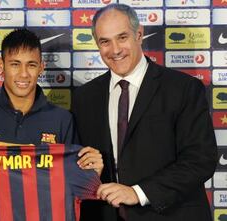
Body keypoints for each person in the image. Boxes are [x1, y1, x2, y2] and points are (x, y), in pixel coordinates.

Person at [71, 3, 217, 221]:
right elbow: (76, 165)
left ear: (139, 35)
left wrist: (138, 193)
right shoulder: (84, 98)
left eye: (122, 37)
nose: (115, 50)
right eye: (105, 42)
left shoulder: (183, 89)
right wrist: (91, 170)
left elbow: (200, 160)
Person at [0, 28, 102, 174]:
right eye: (15, 64)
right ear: (0, 66)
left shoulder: (62, 120)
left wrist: (92, 173)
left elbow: (74, 179)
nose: (23, 74)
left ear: (41, 68)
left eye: (31, 65)